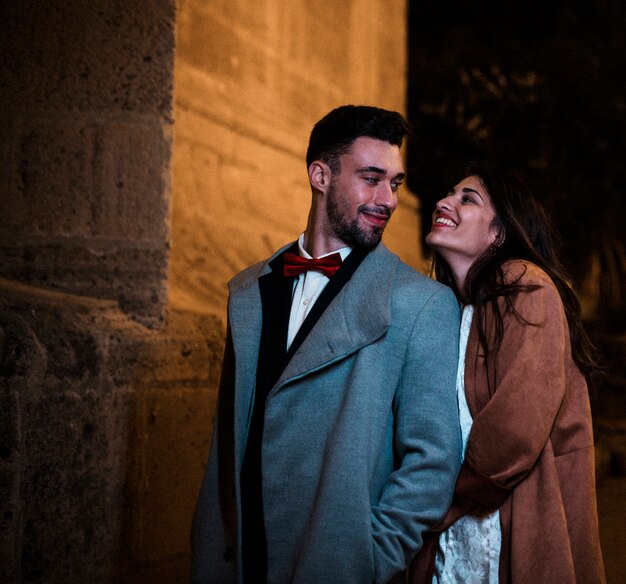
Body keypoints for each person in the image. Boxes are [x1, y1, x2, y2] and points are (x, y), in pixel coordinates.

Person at [190, 105, 463, 584]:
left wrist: (366, 557)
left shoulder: (422, 305)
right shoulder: (248, 291)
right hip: (238, 563)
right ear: (321, 175)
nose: (388, 199)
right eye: (371, 178)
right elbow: (228, 446)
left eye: (395, 183)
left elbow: (433, 461)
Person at [409, 167, 606, 583]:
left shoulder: (522, 284)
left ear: (498, 234)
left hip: (506, 530)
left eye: (468, 198)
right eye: (448, 193)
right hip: (458, 540)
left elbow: (515, 425)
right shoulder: (452, 310)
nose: (444, 203)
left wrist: (439, 502)